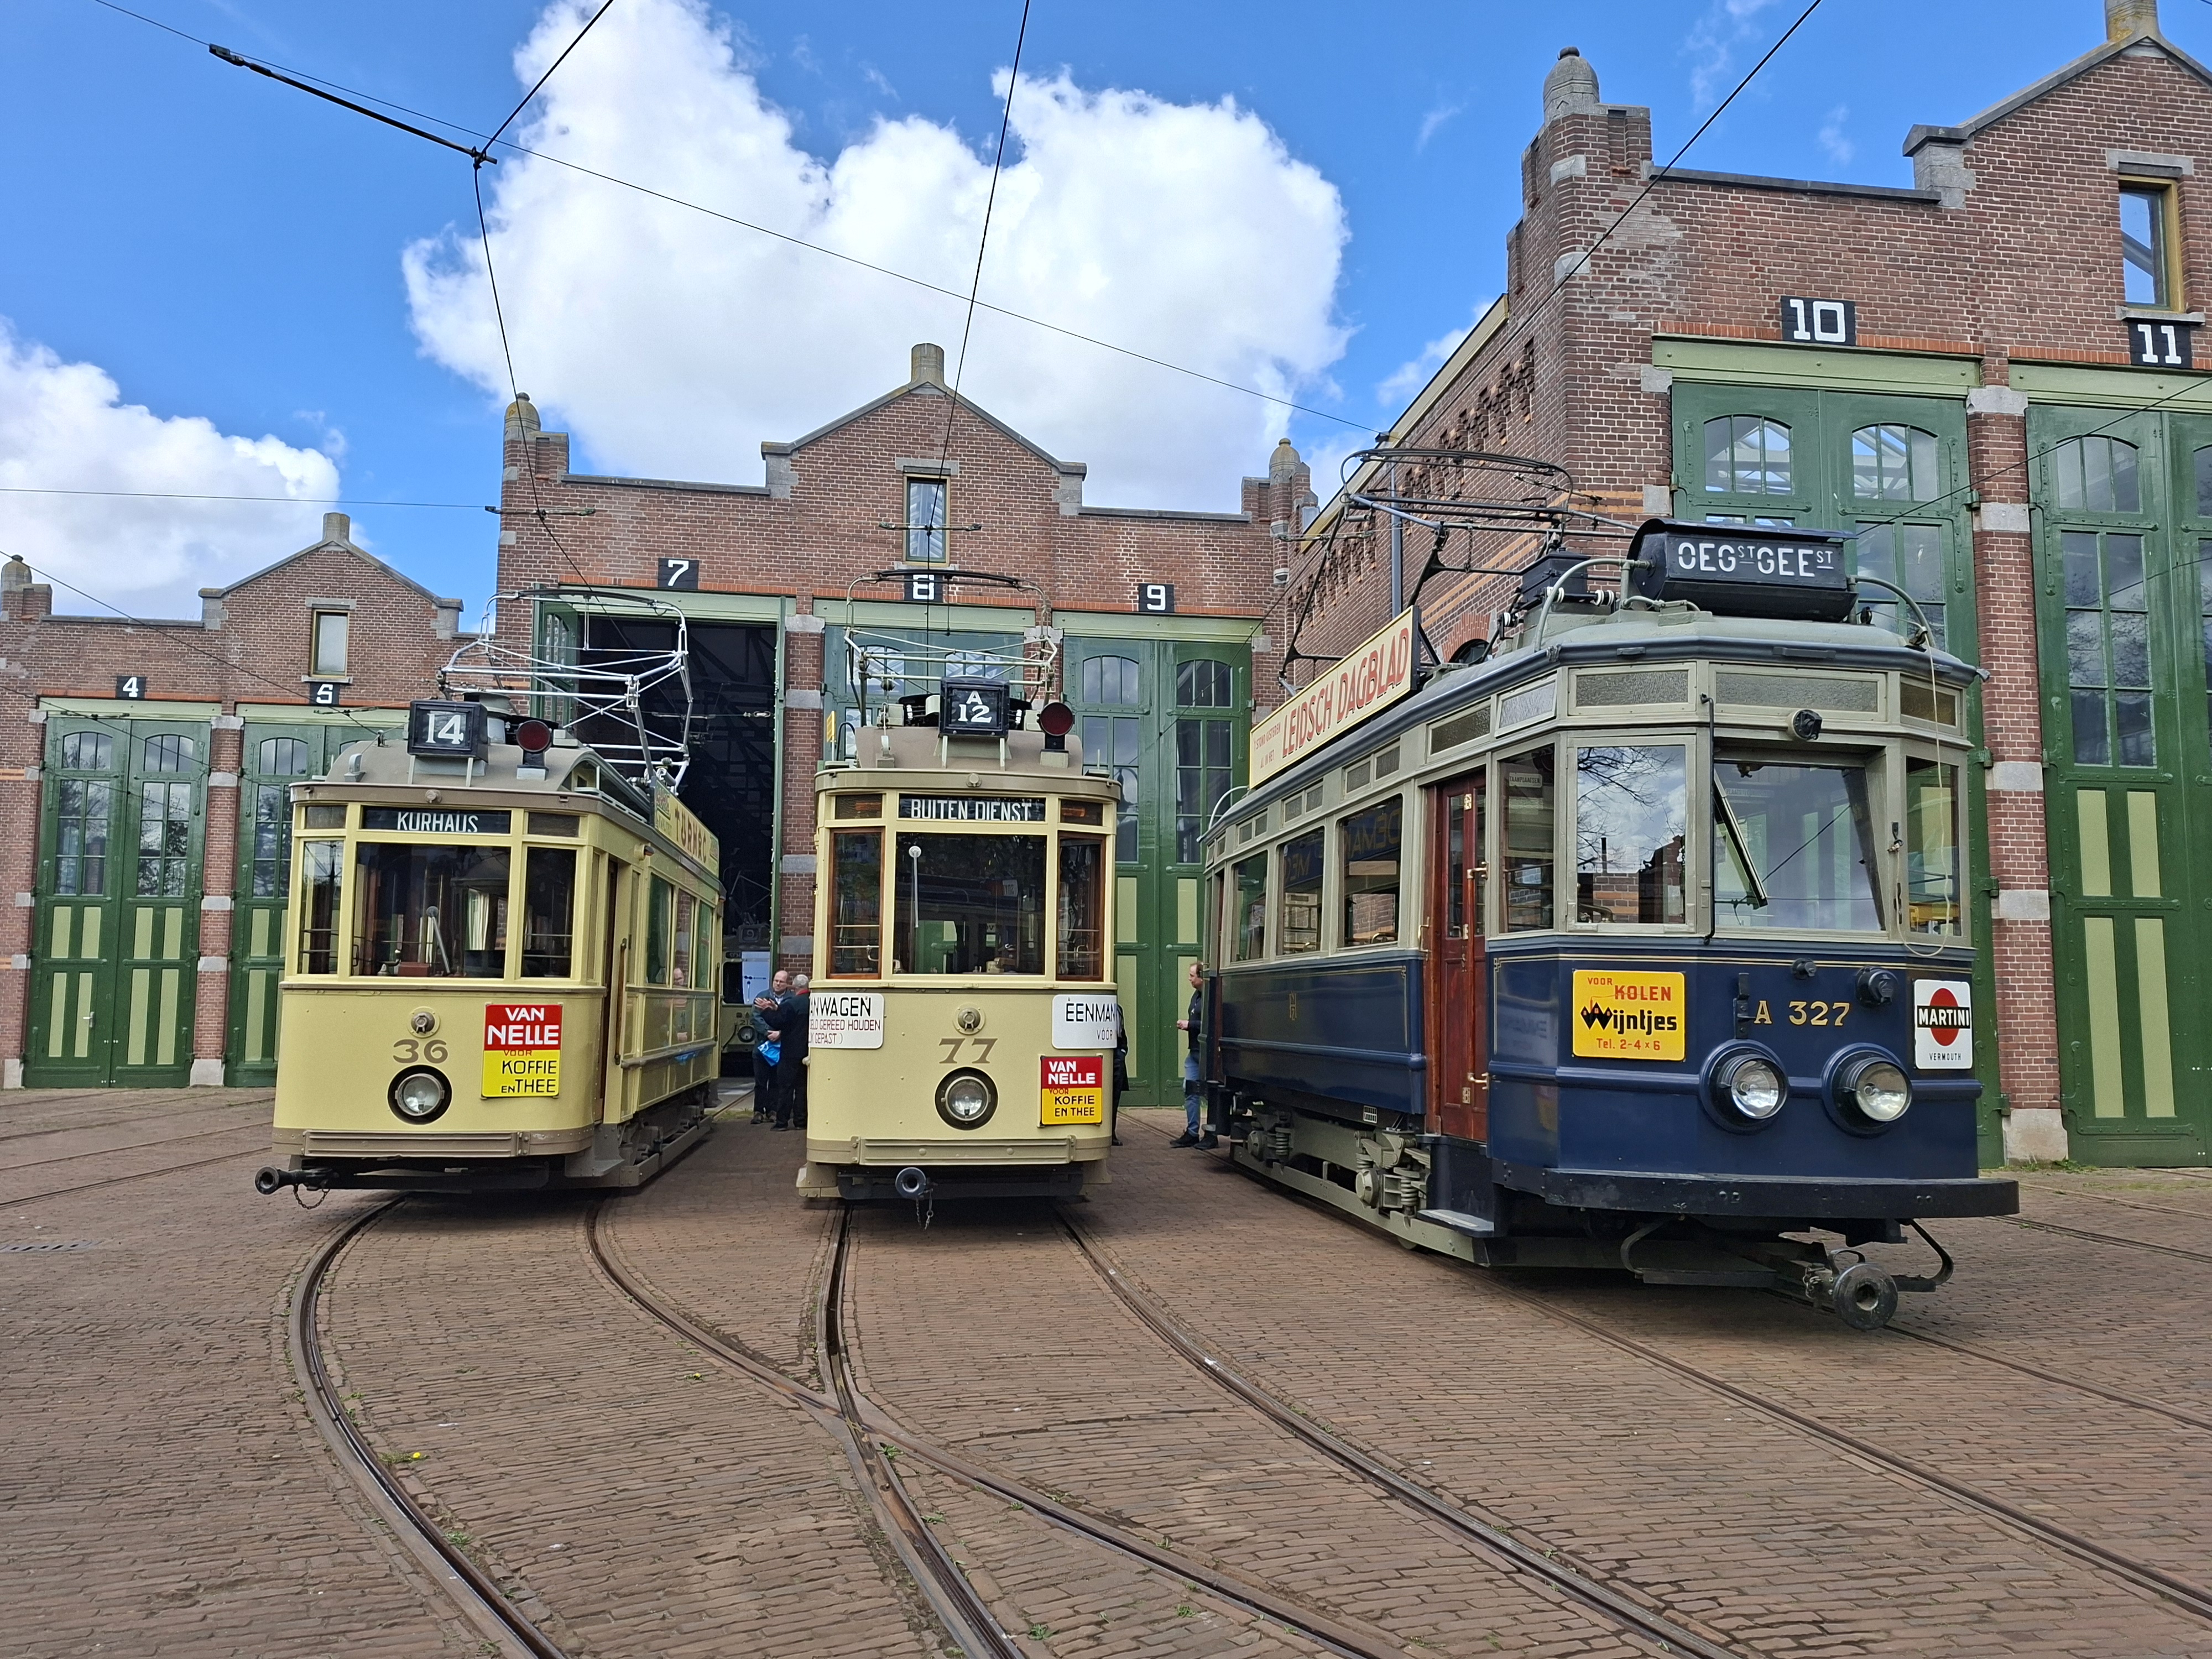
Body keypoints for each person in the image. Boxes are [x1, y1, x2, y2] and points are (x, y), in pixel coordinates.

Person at [1170, 961, 1215, 1148]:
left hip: (1206, 1052)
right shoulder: (1196, 996)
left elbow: (1211, 1023)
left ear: (1201, 977)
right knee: (1189, 1089)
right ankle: (1192, 1131)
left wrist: (1190, 1025)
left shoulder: (1210, 998)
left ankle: (1211, 1134)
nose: (1189, 979)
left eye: (1192, 976)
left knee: (1211, 1091)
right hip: (1194, 1052)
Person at [761, 972, 812, 1131]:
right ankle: (801, 1121)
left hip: (789, 1053)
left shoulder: (792, 1004)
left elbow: (778, 1021)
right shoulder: (813, 1003)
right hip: (807, 1053)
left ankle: (782, 1122)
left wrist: (766, 1011)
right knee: (802, 1089)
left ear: (794, 987)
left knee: (786, 1089)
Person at [750, 969, 790, 1124]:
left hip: (780, 1048)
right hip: (762, 1047)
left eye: (781, 981)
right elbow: (755, 1017)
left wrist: (780, 1032)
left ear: (787, 983)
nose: (778, 984)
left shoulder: (790, 1000)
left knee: (775, 1081)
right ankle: (758, 1111)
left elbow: (791, 1020)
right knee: (760, 1082)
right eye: (776, 981)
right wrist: (768, 1032)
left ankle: (772, 1111)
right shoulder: (762, 997)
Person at [1110, 998, 1129, 1147]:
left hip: (1117, 1055)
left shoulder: (1118, 1010)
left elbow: (1122, 1034)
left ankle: (1112, 1132)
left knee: (1115, 1098)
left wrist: (1122, 1052)